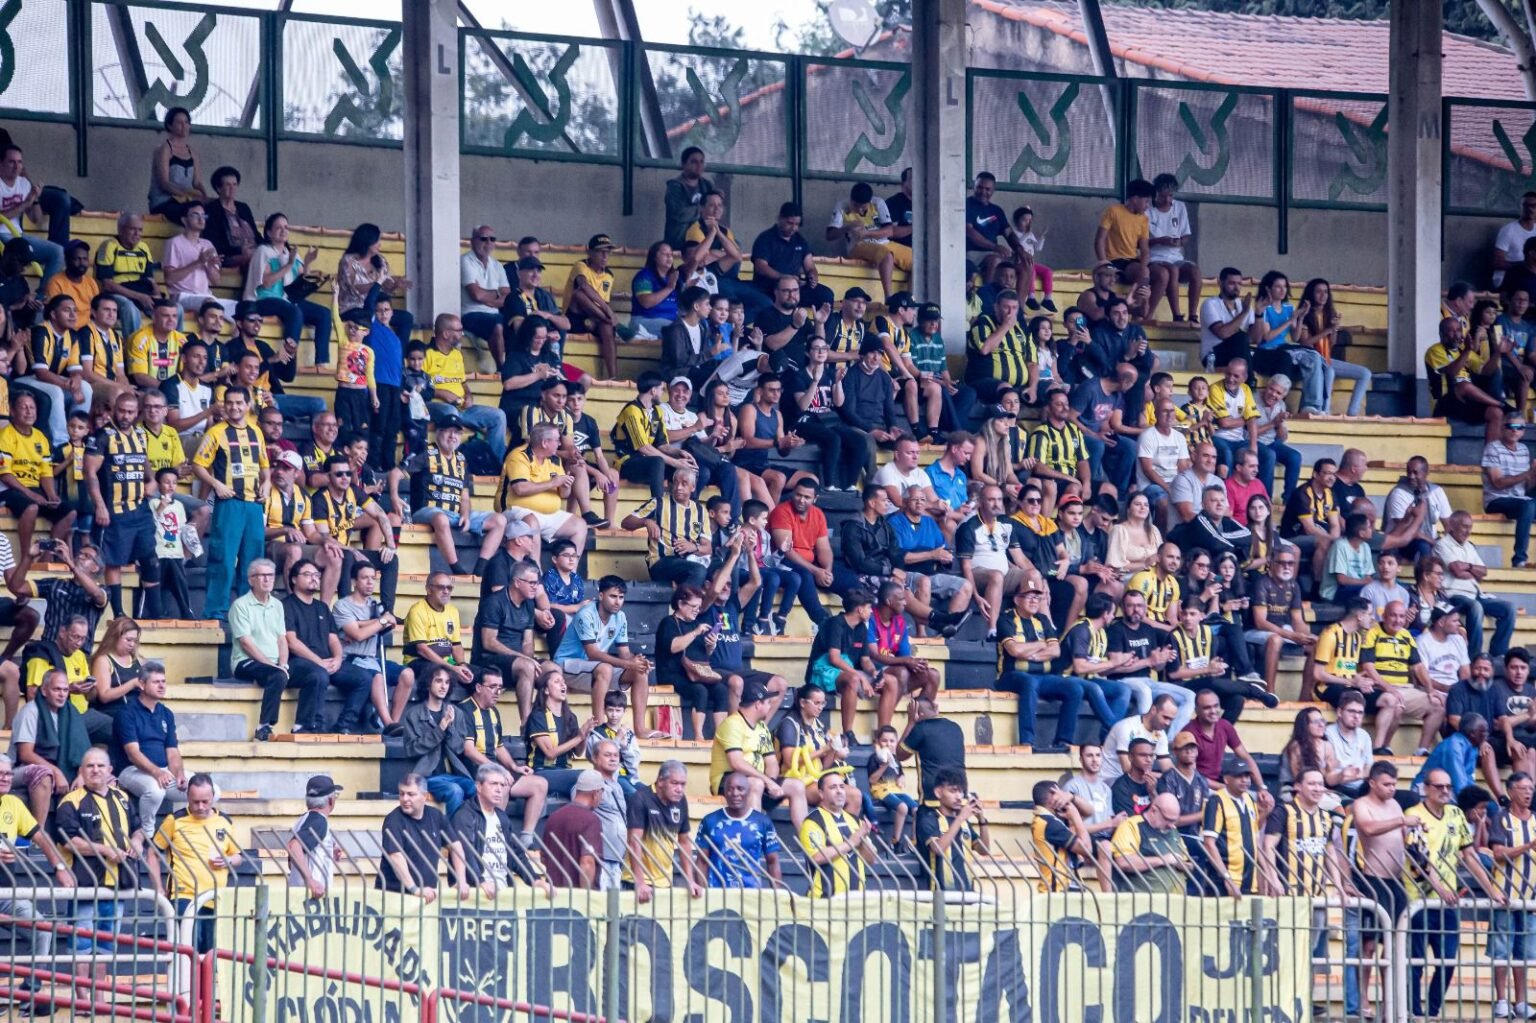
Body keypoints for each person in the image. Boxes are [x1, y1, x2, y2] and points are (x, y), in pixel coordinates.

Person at [1406, 766, 1505, 1018]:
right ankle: (1414, 1012)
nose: (1445, 791)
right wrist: (1438, 889)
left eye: (1448, 786)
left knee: (1448, 959)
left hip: (1447, 901)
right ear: (1426, 788)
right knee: (1415, 961)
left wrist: (1491, 890)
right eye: (1439, 786)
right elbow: (1419, 859)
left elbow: (1469, 855)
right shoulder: (1414, 814)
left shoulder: (1455, 814)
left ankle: (1433, 1010)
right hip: (1419, 899)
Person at [55, 748, 160, 956]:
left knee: (106, 950)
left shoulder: (122, 797)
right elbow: (67, 841)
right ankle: (83, 990)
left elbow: (137, 827)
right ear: (81, 771)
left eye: (100, 765)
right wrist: (104, 850)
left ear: (110, 770)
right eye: (90, 766)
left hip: (119, 884)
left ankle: (100, 991)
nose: (96, 770)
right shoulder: (70, 801)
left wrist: (137, 842)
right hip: (86, 885)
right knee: (81, 950)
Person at [193, 386, 269, 621]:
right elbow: (198, 465)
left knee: (253, 559)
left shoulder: (257, 431)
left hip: (253, 506)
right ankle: (216, 610)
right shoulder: (216, 432)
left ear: (248, 406)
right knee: (223, 558)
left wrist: (266, 484)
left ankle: (251, 609)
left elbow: (264, 464)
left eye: (239, 403)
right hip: (230, 504)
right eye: (230, 403)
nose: (234, 407)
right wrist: (216, 484)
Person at [554, 575, 654, 738]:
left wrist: (638, 662)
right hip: (566, 666)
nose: (617, 602)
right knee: (605, 668)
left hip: (593, 671)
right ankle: (599, 728)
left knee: (640, 672)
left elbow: (625, 653)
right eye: (613, 596)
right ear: (601, 595)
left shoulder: (620, 617)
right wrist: (628, 664)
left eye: (621, 597)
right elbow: (593, 654)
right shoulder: (585, 614)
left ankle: (640, 729)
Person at [151, 773, 241, 953]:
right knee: (188, 955)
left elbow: (238, 855)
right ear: (187, 798)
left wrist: (228, 860)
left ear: (213, 797)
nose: (200, 807)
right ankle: (187, 982)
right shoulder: (174, 820)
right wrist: (158, 886)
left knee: (211, 956)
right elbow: (152, 853)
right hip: (184, 897)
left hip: (216, 898)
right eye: (195, 802)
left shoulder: (224, 821)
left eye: (205, 802)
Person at [451, 763, 549, 898]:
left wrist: (535, 879)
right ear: (479, 787)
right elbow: (465, 851)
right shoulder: (464, 815)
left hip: (502, 892)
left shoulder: (502, 817)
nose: (499, 790)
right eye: (493, 784)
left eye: (502, 785)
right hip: (477, 894)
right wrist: (480, 881)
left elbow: (515, 852)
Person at [241, 213, 330, 362]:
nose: (284, 231)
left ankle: (321, 361)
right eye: (279, 228)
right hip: (262, 300)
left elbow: (301, 283)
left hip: (286, 300)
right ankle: (287, 359)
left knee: (324, 314)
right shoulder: (263, 251)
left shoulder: (291, 253)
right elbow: (265, 282)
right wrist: (288, 265)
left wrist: (307, 263)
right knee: (294, 312)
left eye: (286, 227)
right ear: (269, 233)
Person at [1360, 601, 1447, 755]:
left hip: (1405, 689)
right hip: (1379, 687)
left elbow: (1418, 667)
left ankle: (1422, 750)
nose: (1397, 620)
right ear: (1384, 616)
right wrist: (1388, 687)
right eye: (1393, 615)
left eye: (1401, 616)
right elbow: (1368, 667)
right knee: (1394, 702)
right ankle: (1380, 748)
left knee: (1438, 705)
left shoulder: (1406, 636)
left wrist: (1430, 690)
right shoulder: (1373, 633)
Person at [112, 661, 186, 839]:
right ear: (142, 684)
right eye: (156, 682)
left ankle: (186, 832)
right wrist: (157, 772)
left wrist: (180, 774)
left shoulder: (166, 713)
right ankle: (146, 833)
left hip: (163, 772)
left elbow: (173, 752)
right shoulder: (127, 713)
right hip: (130, 771)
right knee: (155, 789)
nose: (161, 685)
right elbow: (133, 753)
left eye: (163, 681)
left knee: (208, 790)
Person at [422, 314, 507, 463]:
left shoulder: (456, 354)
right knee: (450, 412)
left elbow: (463, 382)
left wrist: (469, 395)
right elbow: (419, 388)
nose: (462, 333)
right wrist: (441, 393)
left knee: (498, 415)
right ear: (446, 333)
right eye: (459, 330)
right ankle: (454, 462)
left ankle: (497, 464)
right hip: (435, 406)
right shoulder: (426, 354)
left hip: (462, 408)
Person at [377, 774, 470, 901]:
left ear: (425, 796)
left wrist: (461, 880)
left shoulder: (436, 816)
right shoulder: (393, 820)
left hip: (426, 896)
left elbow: (456, 846)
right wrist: (414, 888)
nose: (405, 799)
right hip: (394, 897)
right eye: (401, 793)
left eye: (411, 794)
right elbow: (395, 857)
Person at [1488, 772, 1536, 1019]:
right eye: (1523, 788)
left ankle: (1520, 1001)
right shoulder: (1502, 818)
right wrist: (1528, 847)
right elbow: (1498, 853)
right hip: (1504, 895)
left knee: (1524, 953)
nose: (1528, 793)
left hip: (1530, 899)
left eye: (1531, 788)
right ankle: (1501, 999)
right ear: (1511, 791)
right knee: (1501, 950)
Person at [1436, 510, 1515, 658]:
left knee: (1509, 608)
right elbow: (1456, 570)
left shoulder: (1469, 546)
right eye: (1464, 527)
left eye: (1470, 527)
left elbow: (1483, 571)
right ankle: (1474, 657)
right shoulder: (1442, 544)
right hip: (1454, 594)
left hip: (1475, 593)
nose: (1468, 531)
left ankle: (1498, 654)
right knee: (1476, 607)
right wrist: (1471, 570)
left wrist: (1469, 568)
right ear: (1452, 525)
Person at [622, 465, 712, 588]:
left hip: (690, 560)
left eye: (684, 484)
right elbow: (626, 522)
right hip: (662, 562)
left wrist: (693, 547)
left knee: (724, 571)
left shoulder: (700, 511)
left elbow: (707, 547)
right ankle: (684, 604)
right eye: (676, 483)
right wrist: (646, 522)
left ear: (693, 487)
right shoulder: (658, 503)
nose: (679, 487)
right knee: (698, 571)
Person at [626, 760, 702, 902]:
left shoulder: (681, 801)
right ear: (660, 781)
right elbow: (633, 842)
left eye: (683, 784)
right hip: (636, 882)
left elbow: (684, 842)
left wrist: (690, 880)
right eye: (674, 783)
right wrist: (640, 882)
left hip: (665, 882)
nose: (679, 789)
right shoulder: (640, 798)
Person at [694, 771, 783, 890]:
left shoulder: (763, 822)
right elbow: (701, 861)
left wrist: (776, 895)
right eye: (730, 789)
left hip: (751, 896)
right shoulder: (710, 821)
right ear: (724, 793)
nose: (735, 793)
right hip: (717, 893)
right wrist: (704, 896)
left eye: (740, 789)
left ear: (748, 791)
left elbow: (772, 862)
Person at [1201, 756, 1272, 898]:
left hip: (1248, 880)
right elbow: (1209, 843)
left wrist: (1269, 876)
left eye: (1247, 776)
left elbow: (1255, 840)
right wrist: (1227, 878)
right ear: (1226, 779)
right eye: (1239, 776)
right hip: (1223, 882)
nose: (1245, 780)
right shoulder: (1216, 801)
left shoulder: (1249, 800)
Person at [798, 773, 877, 898]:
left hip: (856, 900)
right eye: (833, 787)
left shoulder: (856, 821)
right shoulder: (813, 821)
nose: (839, 791)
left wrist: (863, 839)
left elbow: (871, 860)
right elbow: (816, 857)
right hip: (824, 902)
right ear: (821, 793)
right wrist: (851, 843)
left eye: (842, 787)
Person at [917, 765, 991, 892]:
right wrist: (960, 818)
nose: (958, 796)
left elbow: (984, 851)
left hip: (967, 892)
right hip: (939, 895)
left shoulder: (964, 822)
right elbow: (938, 849)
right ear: (938, 792)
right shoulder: (929, 820)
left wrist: (982, 821)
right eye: (953, 791)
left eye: (961, 792)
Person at [94, 212, 163, 336]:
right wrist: (139, 297)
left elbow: (150, 279)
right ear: (121, 229)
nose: (137, 234)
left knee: (175, 309)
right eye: (132, 229)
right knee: (129, 307)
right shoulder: (109, 246)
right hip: (115, 294)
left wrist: (157, 295)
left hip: (140, 292)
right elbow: (107, 284)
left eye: (140, 230)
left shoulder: (143, 248)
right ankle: (132, 349)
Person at [1108, 792, 1189, 894]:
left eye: (1174, 821)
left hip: (1175, 902)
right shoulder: (1132, 825)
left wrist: (1183, 865)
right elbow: (1124, 862)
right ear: (1154, 810)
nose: (1172, 826)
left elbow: (1186, 861)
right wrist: (1162, 860)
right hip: (1142, 901)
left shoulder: (1173, 831)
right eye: (1168, 820)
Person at [1483, 417, 1536, 569]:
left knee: (1528, 504)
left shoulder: (1524, 450)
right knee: (1528, 505)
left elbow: (1527, 487)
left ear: (1524, 431)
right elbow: (1497, 483)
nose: (1514, 430)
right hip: (1496, 500)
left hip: (1520, 500)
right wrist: (1527, 473)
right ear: (1502, 428)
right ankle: (1519, 559)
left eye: (1519, 427)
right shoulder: (1492, 448)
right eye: (1510, 426)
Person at [541, 769, 608, 889]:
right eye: (602, 794)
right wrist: (585, 897)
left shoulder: (554, 817)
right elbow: (587, 863)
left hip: (554, 896)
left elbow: (543, 858)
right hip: (576, 899)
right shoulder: (591, 820)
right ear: (596, 793)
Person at [1094, 178, 1153, 311]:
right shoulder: (1113, 211)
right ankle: (1133, 308)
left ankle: (1138, 307)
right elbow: (1099, 240)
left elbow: (1144, 249)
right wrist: (1104, 264)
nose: (1147, 206)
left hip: (1131, 262)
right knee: (1144, 272)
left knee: (1152, 272)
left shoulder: (1144, 219)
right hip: (1113, 261)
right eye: (1146, 201)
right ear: (1135, 199)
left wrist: (1143, 269)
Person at [897, 695, 968, 806]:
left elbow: (899, 755)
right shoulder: (955, 727)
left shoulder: (921, 729)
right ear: (935, 709)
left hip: (934, 796)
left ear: (917, 714)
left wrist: (911, 722)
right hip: (959, 794)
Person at [460, 226, 510, 364]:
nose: (488, 243)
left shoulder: (498, 266)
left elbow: (507, 296)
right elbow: (476, 295)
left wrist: (488, 297)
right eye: (483, 239)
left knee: (519, 324)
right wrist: (497, 294)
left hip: (494, 315)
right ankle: (501, 368)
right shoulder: (465, 261)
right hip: (470, 314)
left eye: (492, 239)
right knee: (498, 324)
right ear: (472, 241)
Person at [1200, 267, 1254, 370]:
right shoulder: (1210, 304)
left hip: (1240, 351)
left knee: (1281, 356)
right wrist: (1243, 313)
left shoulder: (1244, 305)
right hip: (1214, 354)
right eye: (1232, 283)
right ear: (1220, 283)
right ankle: (1250, 383)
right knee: (1241, 338)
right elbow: (1223, 334)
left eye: (1239, 284)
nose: (1236, 287)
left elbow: (1254, 338)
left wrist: (1259, 314)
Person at [1321, 511, 1375, 604]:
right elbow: (1342, 580)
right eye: (1369, 527)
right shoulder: (1340, 545)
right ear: (1361, 533)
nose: (1372, 530)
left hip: (1357, 587)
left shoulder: (1365, 547)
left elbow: (1368, 576)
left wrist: (1368, 582)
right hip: (1334, 593)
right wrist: (1366, 583)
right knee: (1369, 591)